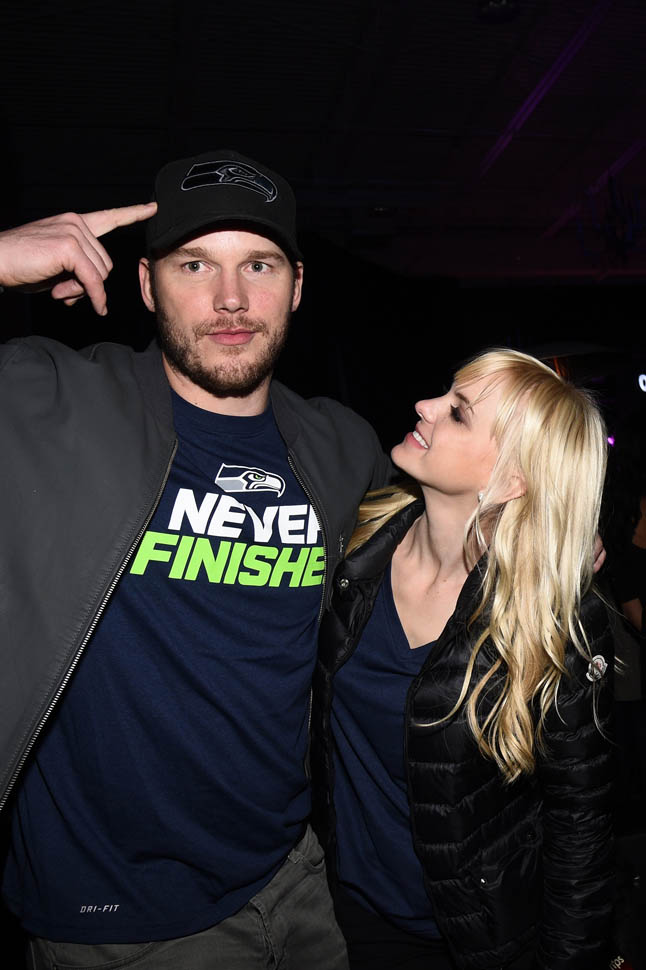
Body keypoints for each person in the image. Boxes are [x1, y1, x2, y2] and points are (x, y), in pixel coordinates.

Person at [0, 149, 392, 969]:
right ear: (146, 286)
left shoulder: (341, 447)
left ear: (297, 285)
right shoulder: (48, 401)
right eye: (194, 264)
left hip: (297, 878)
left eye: (259, 264)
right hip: (121, 919)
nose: (231, 299)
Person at [311, 349, 615, 970]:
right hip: (342, 913)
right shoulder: (353, 546)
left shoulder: (549, 622)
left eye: (458, 412)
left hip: (475, 942)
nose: (424, 406)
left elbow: (579, 831)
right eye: (443, 394)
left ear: (513, 478)